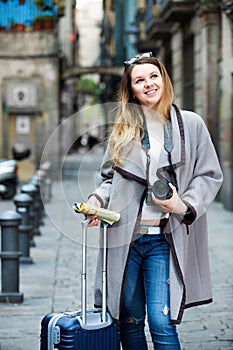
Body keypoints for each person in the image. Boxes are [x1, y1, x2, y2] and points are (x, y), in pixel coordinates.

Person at [85, 52, 223, 349]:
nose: (148, 84)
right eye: (139, 80)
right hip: (126, 239)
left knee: (162, 321)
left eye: (153, 76)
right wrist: (97, 200)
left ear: (163, 79)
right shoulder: (122, 131)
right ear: (131, 89)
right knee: (130, 319)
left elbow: (209, 175)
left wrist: (182, 205)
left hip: (165, 238)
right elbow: (109, 179)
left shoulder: (191, 124)